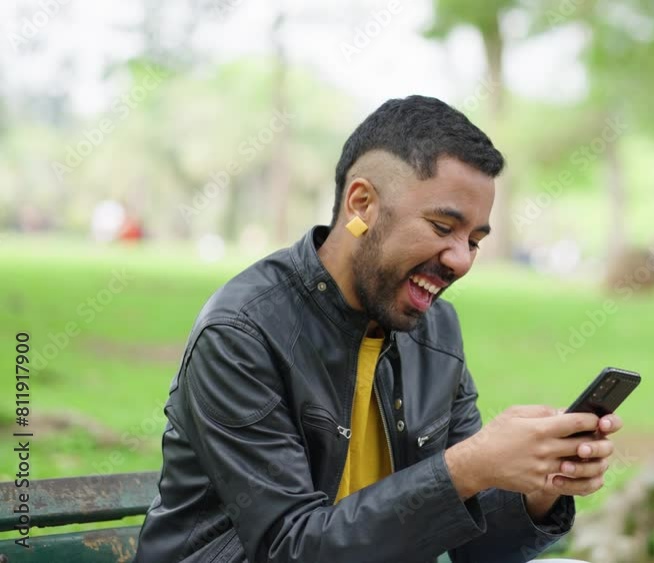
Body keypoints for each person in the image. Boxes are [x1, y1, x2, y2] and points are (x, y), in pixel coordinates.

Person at [134, 95, 623, 563]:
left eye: (474, 240)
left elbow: (476, 549)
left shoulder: (436, 332)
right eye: (442, 227)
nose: (461, 260)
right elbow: (288, 548)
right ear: (362, 203)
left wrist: (538, 490)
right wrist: (466, 467)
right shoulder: (242, 334)